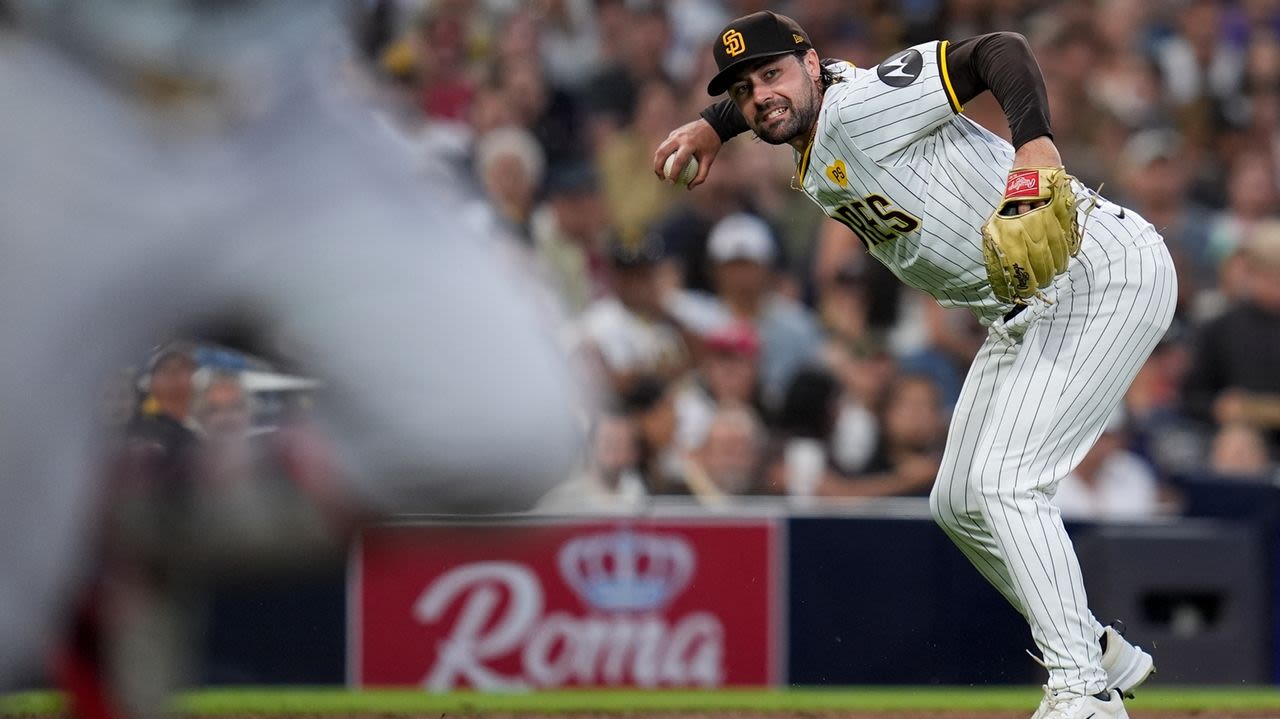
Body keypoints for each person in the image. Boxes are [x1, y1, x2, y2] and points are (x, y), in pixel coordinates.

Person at [0, 0, 580, 698]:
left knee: (507, 429)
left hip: (286, 116)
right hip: (66, 98)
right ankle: (88, 541)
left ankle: (148, 515)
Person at [654, 12, 1174, 719]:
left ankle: (1083, 687)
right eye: (744, 91)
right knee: (957, 500)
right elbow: (772, 101)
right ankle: (1094, 646)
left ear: (813, 63)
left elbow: (1000, 50)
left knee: (1004, 483)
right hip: (1022, 310)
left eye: (772, 74)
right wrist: (714, 125)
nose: (759, 97)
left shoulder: (862, 104)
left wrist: (1037, 144)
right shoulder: (801, 119)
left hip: (1099, 277)